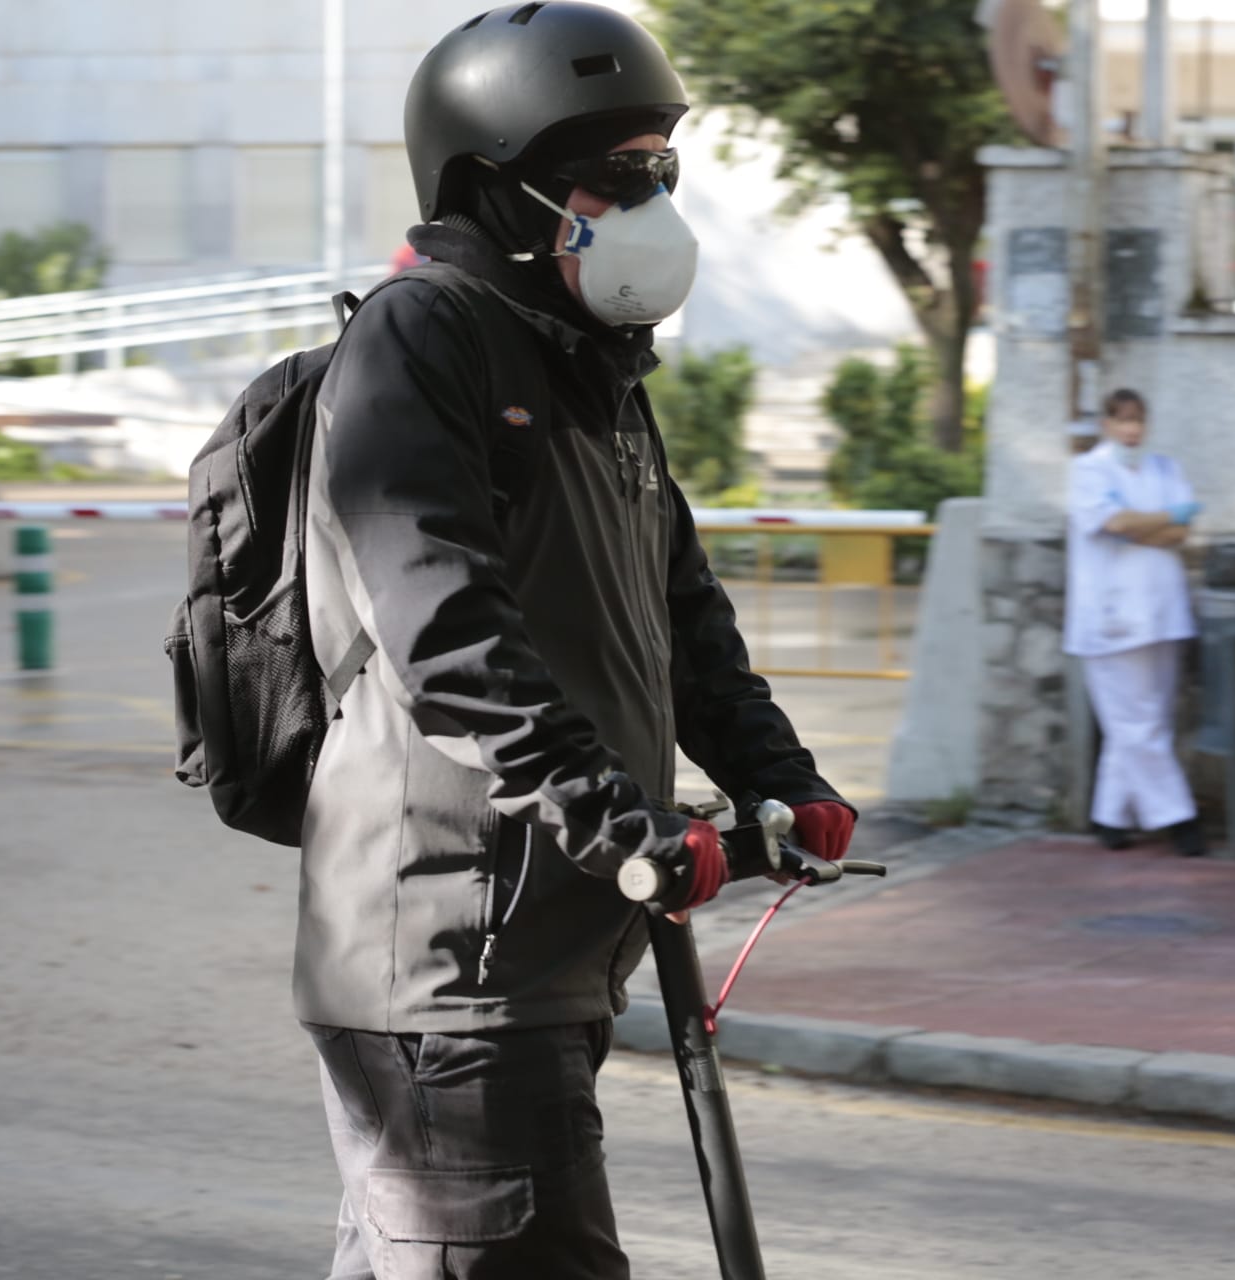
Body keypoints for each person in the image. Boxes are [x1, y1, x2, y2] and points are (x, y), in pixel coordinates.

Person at [294, 5, 855, 1276]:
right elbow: (444, 627)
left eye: (663, 170)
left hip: (552, 935)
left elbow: (683, 614)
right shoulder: (420, 336)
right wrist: (619, 817)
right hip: (451, 952)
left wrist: (782, 776)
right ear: (496, 187)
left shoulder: (596, 369)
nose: (653, 201)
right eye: (619, 174)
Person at [1063, 388, 1207, 857]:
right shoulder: (1089, 470)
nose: (1132, 429)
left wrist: (1143, 524)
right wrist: (1160, 519)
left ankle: (1110, 817)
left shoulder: (1165, 468)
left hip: (1162, 610)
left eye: (1139, 419)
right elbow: (1115, 523)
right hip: (1111, 617)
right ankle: (1179, 818)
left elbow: (1179, 534)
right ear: (1106, 423)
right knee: (1134, 724)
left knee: (1148, 722)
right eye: (1123, 420)